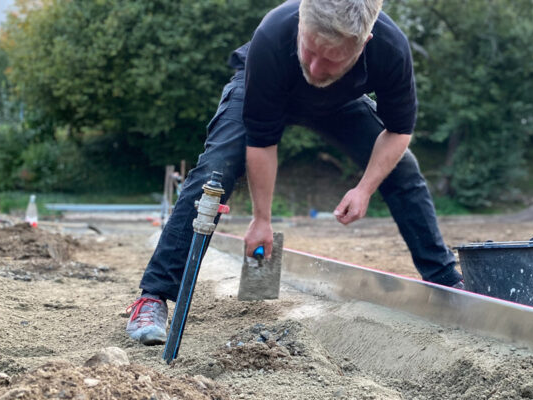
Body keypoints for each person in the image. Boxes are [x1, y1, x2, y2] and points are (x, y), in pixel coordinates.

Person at [126, 0, 464, 345]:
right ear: (301, 23)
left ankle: (447, 284)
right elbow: (261, 141)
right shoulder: (273, 35)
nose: (316, 68)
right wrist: (262, 219)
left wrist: (364, 189)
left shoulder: (391, 49)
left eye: (331, 58)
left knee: (403, 169)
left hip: (340, 102)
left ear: (363, 43)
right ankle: (153, 296)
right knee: (216, 171)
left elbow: (398, 132)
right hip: (265, 87)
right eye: (310, 49)